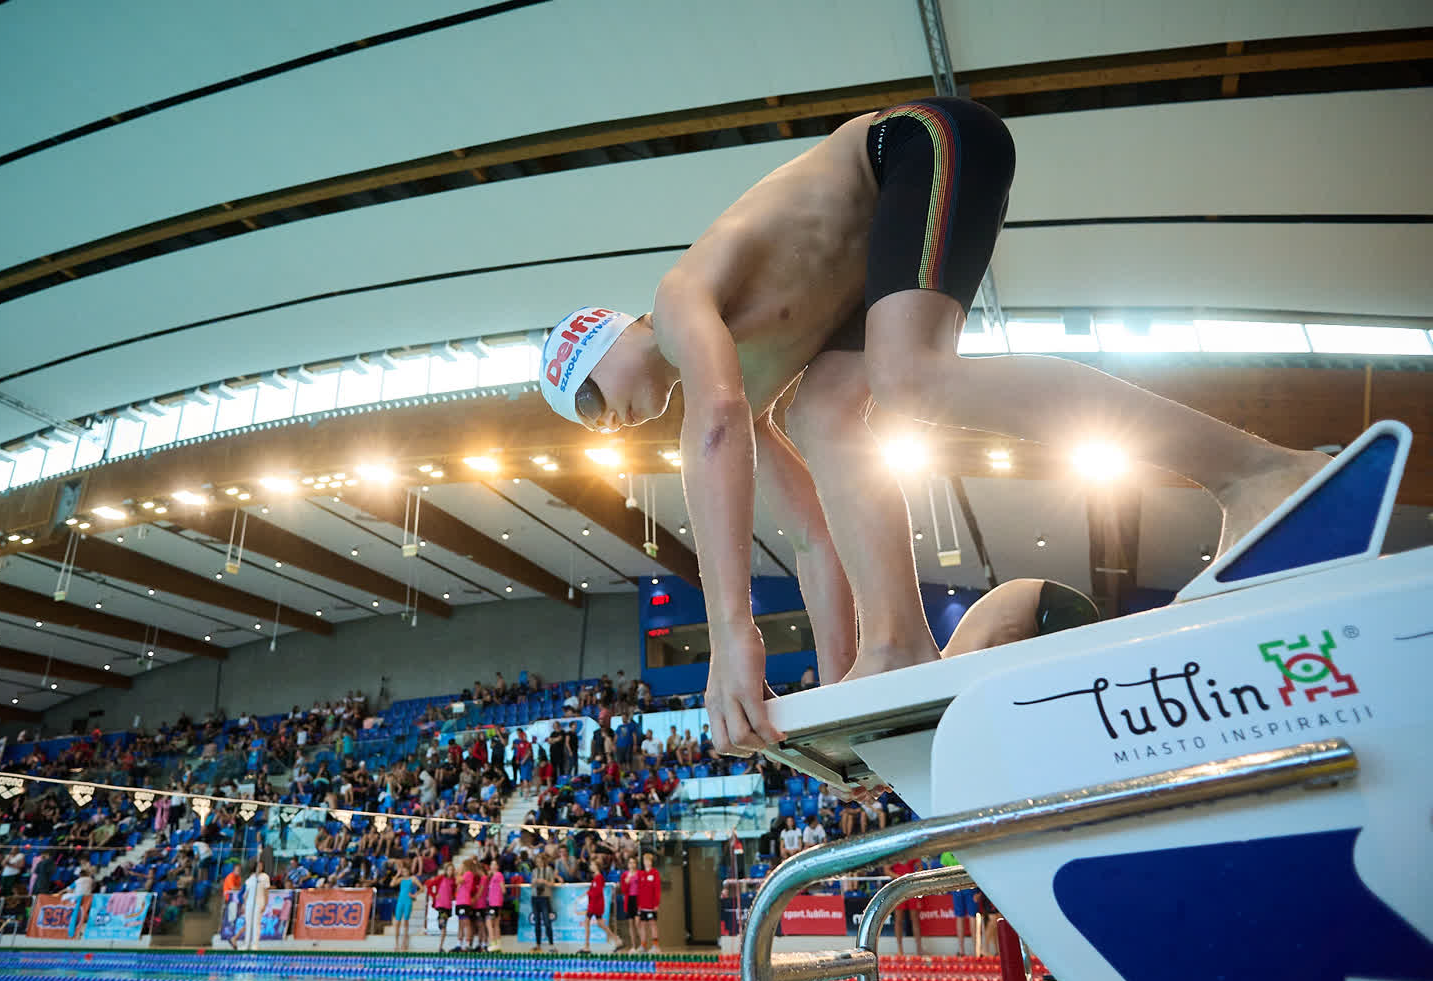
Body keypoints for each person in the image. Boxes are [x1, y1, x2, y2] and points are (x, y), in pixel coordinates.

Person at [537, 98, 1329, 758]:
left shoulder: (678, 305)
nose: (608, 429)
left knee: (907, 380)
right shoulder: (749, 379)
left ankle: (1257, 469)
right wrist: (845, 675)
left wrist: (730, 638)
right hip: (879, 240)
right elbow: (811, 535)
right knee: (824, 416)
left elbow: (714, 431)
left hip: (914, 148)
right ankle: (899, 645)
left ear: (602, 342)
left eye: (594, 405)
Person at [582, 857, 620, 954]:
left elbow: (597, 892)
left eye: (592, 865)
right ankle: (616, 940)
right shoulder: (596, 878)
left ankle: (587, 946)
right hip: (594, 904)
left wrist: (589, 893)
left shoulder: (599, 878)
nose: (590, 866)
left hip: (595, 905)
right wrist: (590, 892)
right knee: (600, 924)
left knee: (587, 922)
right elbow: (594, 891)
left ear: (596, 867)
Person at [392, 860, 422, 953]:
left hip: (408, 901)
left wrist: (414, 895)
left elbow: (422, 888)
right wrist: (397, 874)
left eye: (405, 871)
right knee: (397, 922)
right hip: (400, 901)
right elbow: (392, 884)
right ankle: (396, 944)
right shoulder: (401, 879)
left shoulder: (413, 878)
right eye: (403, 871)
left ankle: (404, 943)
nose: (404, 873)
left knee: (406, 922)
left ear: (409, 871)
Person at [529, 852, 556, 952]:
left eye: (540, 861)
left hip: (544, 897)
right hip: (535, 897)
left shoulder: (548, 870)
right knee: (537, 923)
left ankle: (551, 944)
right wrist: (534, 882)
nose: (539, 863)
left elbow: (552, 883)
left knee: (547, 921)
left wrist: (544, 881)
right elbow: (531, 885)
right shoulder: (534, 871)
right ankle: (538, 944)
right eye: (537, 861)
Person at [242, 859, 270, 951]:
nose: (260, 867)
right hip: (249, 902)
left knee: (256, 923)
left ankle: (255, 944)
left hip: (259, 902)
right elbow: (246, 892)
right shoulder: (251, 877)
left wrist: (265, 904)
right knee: (248, 923)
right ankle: (246, 944)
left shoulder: (265, 877)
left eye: (261, 866)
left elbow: (266, 891)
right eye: (258, 865)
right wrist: (244, 904)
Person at [429, 861, 456, 952]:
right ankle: (440, 946)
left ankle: (440, 946)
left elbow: (454, 891)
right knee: (443, 926)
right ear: (446, 870)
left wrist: (453, 896)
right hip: (441, 905)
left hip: (448, 905)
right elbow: (429, 885)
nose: (450, 871)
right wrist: (434, 895)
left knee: (444, 926)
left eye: (452, 870)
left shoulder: (453, 880)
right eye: (449, 870)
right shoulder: (441, 878)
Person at [484, 859, 506, 953]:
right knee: (496, 924)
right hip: (495, 903)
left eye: (494, 864)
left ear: (498, 866)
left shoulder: (498, 875)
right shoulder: (493, 876)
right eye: (491, 864)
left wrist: (497, 896)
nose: (492, 866)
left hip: (494, 903)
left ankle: (493, 943)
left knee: (489, 923)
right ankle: (498, 945)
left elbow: (503, 889)